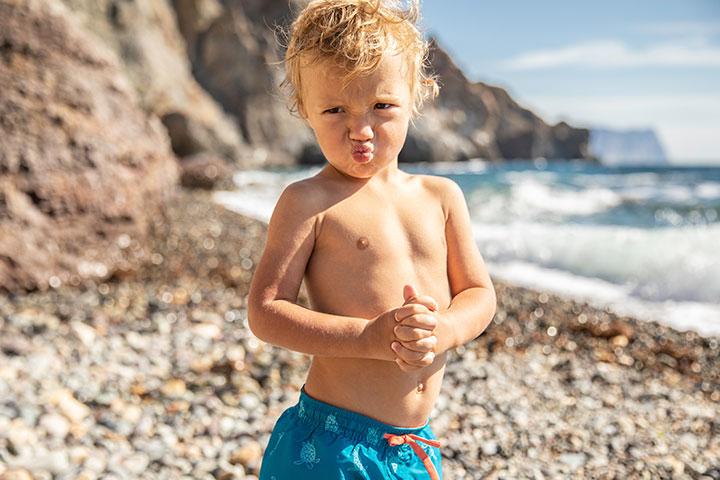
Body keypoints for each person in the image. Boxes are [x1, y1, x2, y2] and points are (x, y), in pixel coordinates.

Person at [248, 0, 497, 478]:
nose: (360, 130)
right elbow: (266, 312)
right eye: (335, 109)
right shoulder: (308, 202)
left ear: (416, 96)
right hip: (330, 444)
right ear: (304, 109)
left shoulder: (442, 196)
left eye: (381, 107)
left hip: (414, 447)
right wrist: (368, 338)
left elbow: (479, 294)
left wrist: (446, 329)